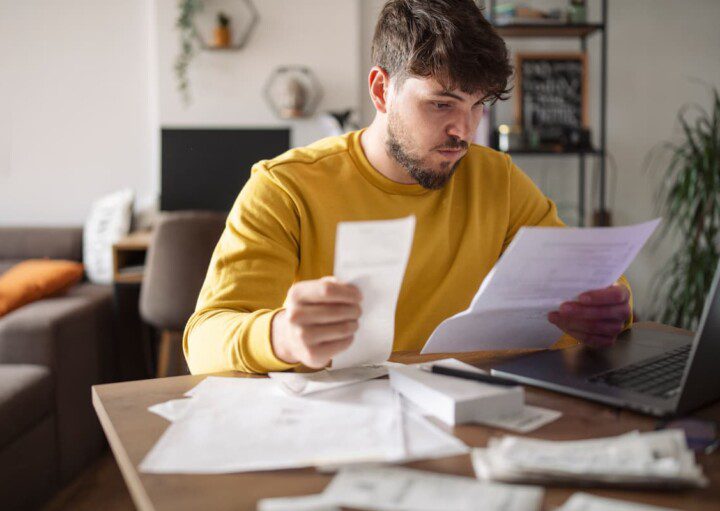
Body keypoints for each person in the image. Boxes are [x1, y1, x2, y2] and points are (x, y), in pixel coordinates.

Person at [183, 0, 632, 374]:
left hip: (464, 414)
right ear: (381, 90)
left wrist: (610, 309)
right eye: (442, 103)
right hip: (336, 420)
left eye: (478, 107)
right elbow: (204, 341)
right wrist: (281, 334)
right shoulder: (285, 188)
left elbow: (592, 282)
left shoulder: (498, 179)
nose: (465, 131)